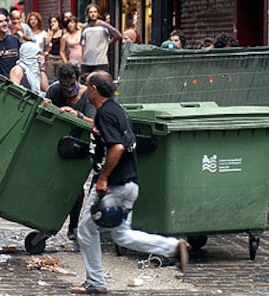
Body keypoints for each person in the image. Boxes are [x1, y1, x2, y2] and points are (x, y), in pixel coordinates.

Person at [70, 71, 189, 294]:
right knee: (122, 235)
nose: (85, 91)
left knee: (86, 230)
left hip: (113, 186)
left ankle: (96, 283)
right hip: (129, 184)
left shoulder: (105, 113)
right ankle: (173, 247)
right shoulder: (116, 111)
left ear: (94, 89)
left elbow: (117, 147)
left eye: (87, 86)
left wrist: (103, 178)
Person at [44, 63, 95, 240]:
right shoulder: (54, 91)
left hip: (79, 145)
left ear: (77, 80)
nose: (68, 90)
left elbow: (94, 124)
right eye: (64, 86)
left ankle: (73, 227)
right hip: (55, 144)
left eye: (71, 85)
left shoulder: (87, 96)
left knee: (76, 187)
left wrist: (76, 115)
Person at [80, 4, 122, 76]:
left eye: (95, 12)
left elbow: (118, 35)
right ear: (87, 14)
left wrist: (109, 42)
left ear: (98, 13)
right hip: (87, 62)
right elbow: (83, 44)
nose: (93, 14)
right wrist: (82, 59)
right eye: (91, 12)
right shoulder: (85, 27)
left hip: (100, 62)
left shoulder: (104, 25)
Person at [45, 15, 63, 81]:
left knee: (60, 77)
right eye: (51, 22)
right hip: (51, 57)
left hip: (60, 58)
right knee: (51, 78)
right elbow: (46, 43)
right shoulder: (50, 33)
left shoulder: (62, 32)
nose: (52, 23)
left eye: (54, 21)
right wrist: (51, 34)